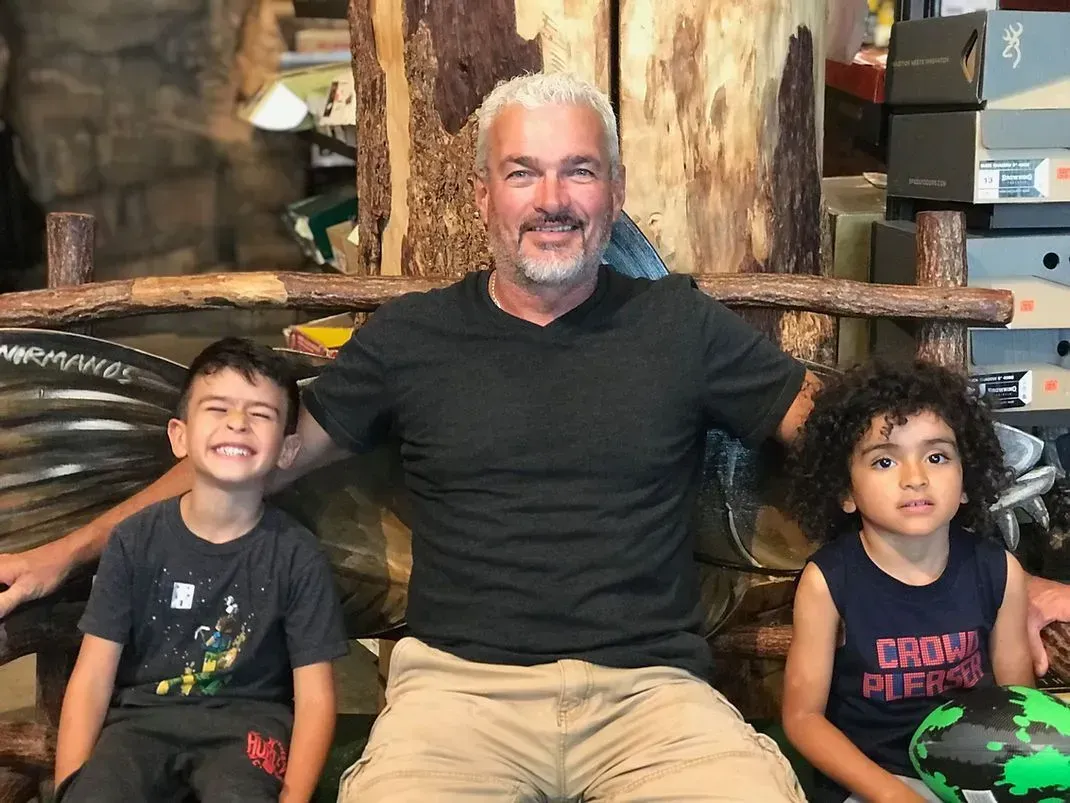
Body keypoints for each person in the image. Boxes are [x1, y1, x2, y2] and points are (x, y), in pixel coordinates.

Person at [0, 69, 1058, 797]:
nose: (552, 201)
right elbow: (243, 468)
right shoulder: (411, 338)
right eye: (523, 173)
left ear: (614, 191)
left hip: (651, 695)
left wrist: (1011, 575)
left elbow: (867, 440)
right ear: (483, 197)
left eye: (578, 171)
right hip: (456, 693)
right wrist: (62, 552)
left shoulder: (679, 325)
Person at [52, 338, 349, 803]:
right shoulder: (133, 540)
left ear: (288, 450)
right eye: (217, 408)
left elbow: (315, 698)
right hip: (140, 724)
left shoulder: (297, 555)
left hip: (249, 729)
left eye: (261, 414)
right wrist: (70, 787)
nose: (238, 422)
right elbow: (92, 677)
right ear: (179, 435)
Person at [781, 360, 1035, 803]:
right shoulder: (827, 581)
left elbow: (1016, 708)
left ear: (966, 480)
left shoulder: (999, 570)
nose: (915, 478)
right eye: (884, 461)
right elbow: (803, 719)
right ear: (845, 491)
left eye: (937, 457)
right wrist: (894, 796)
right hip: (872, 782)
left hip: (970, 778)